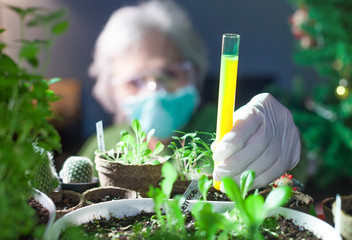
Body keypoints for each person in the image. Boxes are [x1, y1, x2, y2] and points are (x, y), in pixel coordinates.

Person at [79, 0, 301, 192]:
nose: (154, 90)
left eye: (169, 74)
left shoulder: (227, 127)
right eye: (133, 82)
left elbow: (292, 173)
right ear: (110, 90)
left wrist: (278, 139)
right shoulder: (100, 146)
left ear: (194, 73)